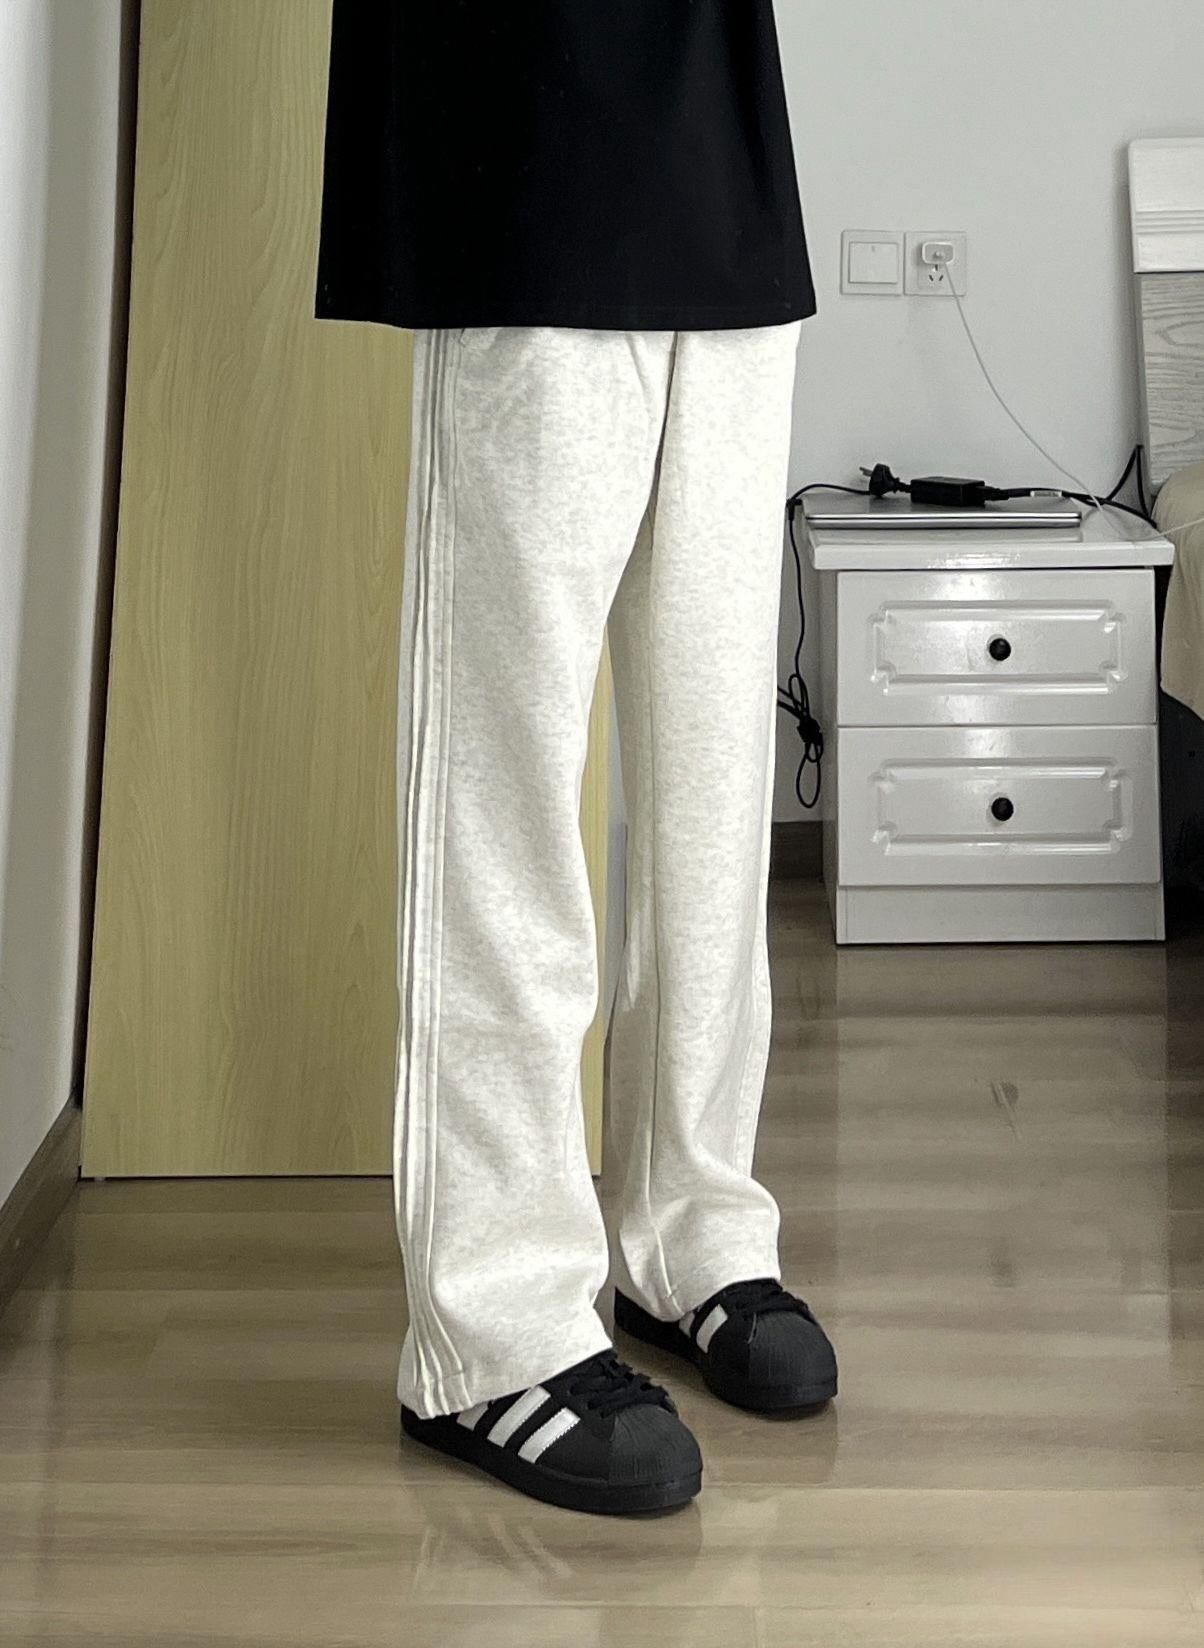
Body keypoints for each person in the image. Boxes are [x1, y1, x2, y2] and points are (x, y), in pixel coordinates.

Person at [314, 1, 837, 1518]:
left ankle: (692, 1231)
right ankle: (490, 1332)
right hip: (525, 154)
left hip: (723, 169)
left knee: (712, 788)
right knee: (508, 789)